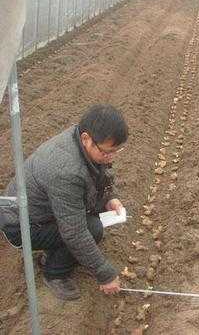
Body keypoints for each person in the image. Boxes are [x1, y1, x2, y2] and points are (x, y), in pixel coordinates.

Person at [0, 104, 128, 301]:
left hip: (42, 211)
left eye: (117, 151)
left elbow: (100, 171)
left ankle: (55, 251)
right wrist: (105, 273)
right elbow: (74, 232)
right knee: (92, 228)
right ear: (86, 139)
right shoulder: (66, 171)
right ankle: (54, 272)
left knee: (91, 215)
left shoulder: (81, 139)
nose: (111, 157)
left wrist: (110, 197)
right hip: (21, 225)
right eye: (107, 152)